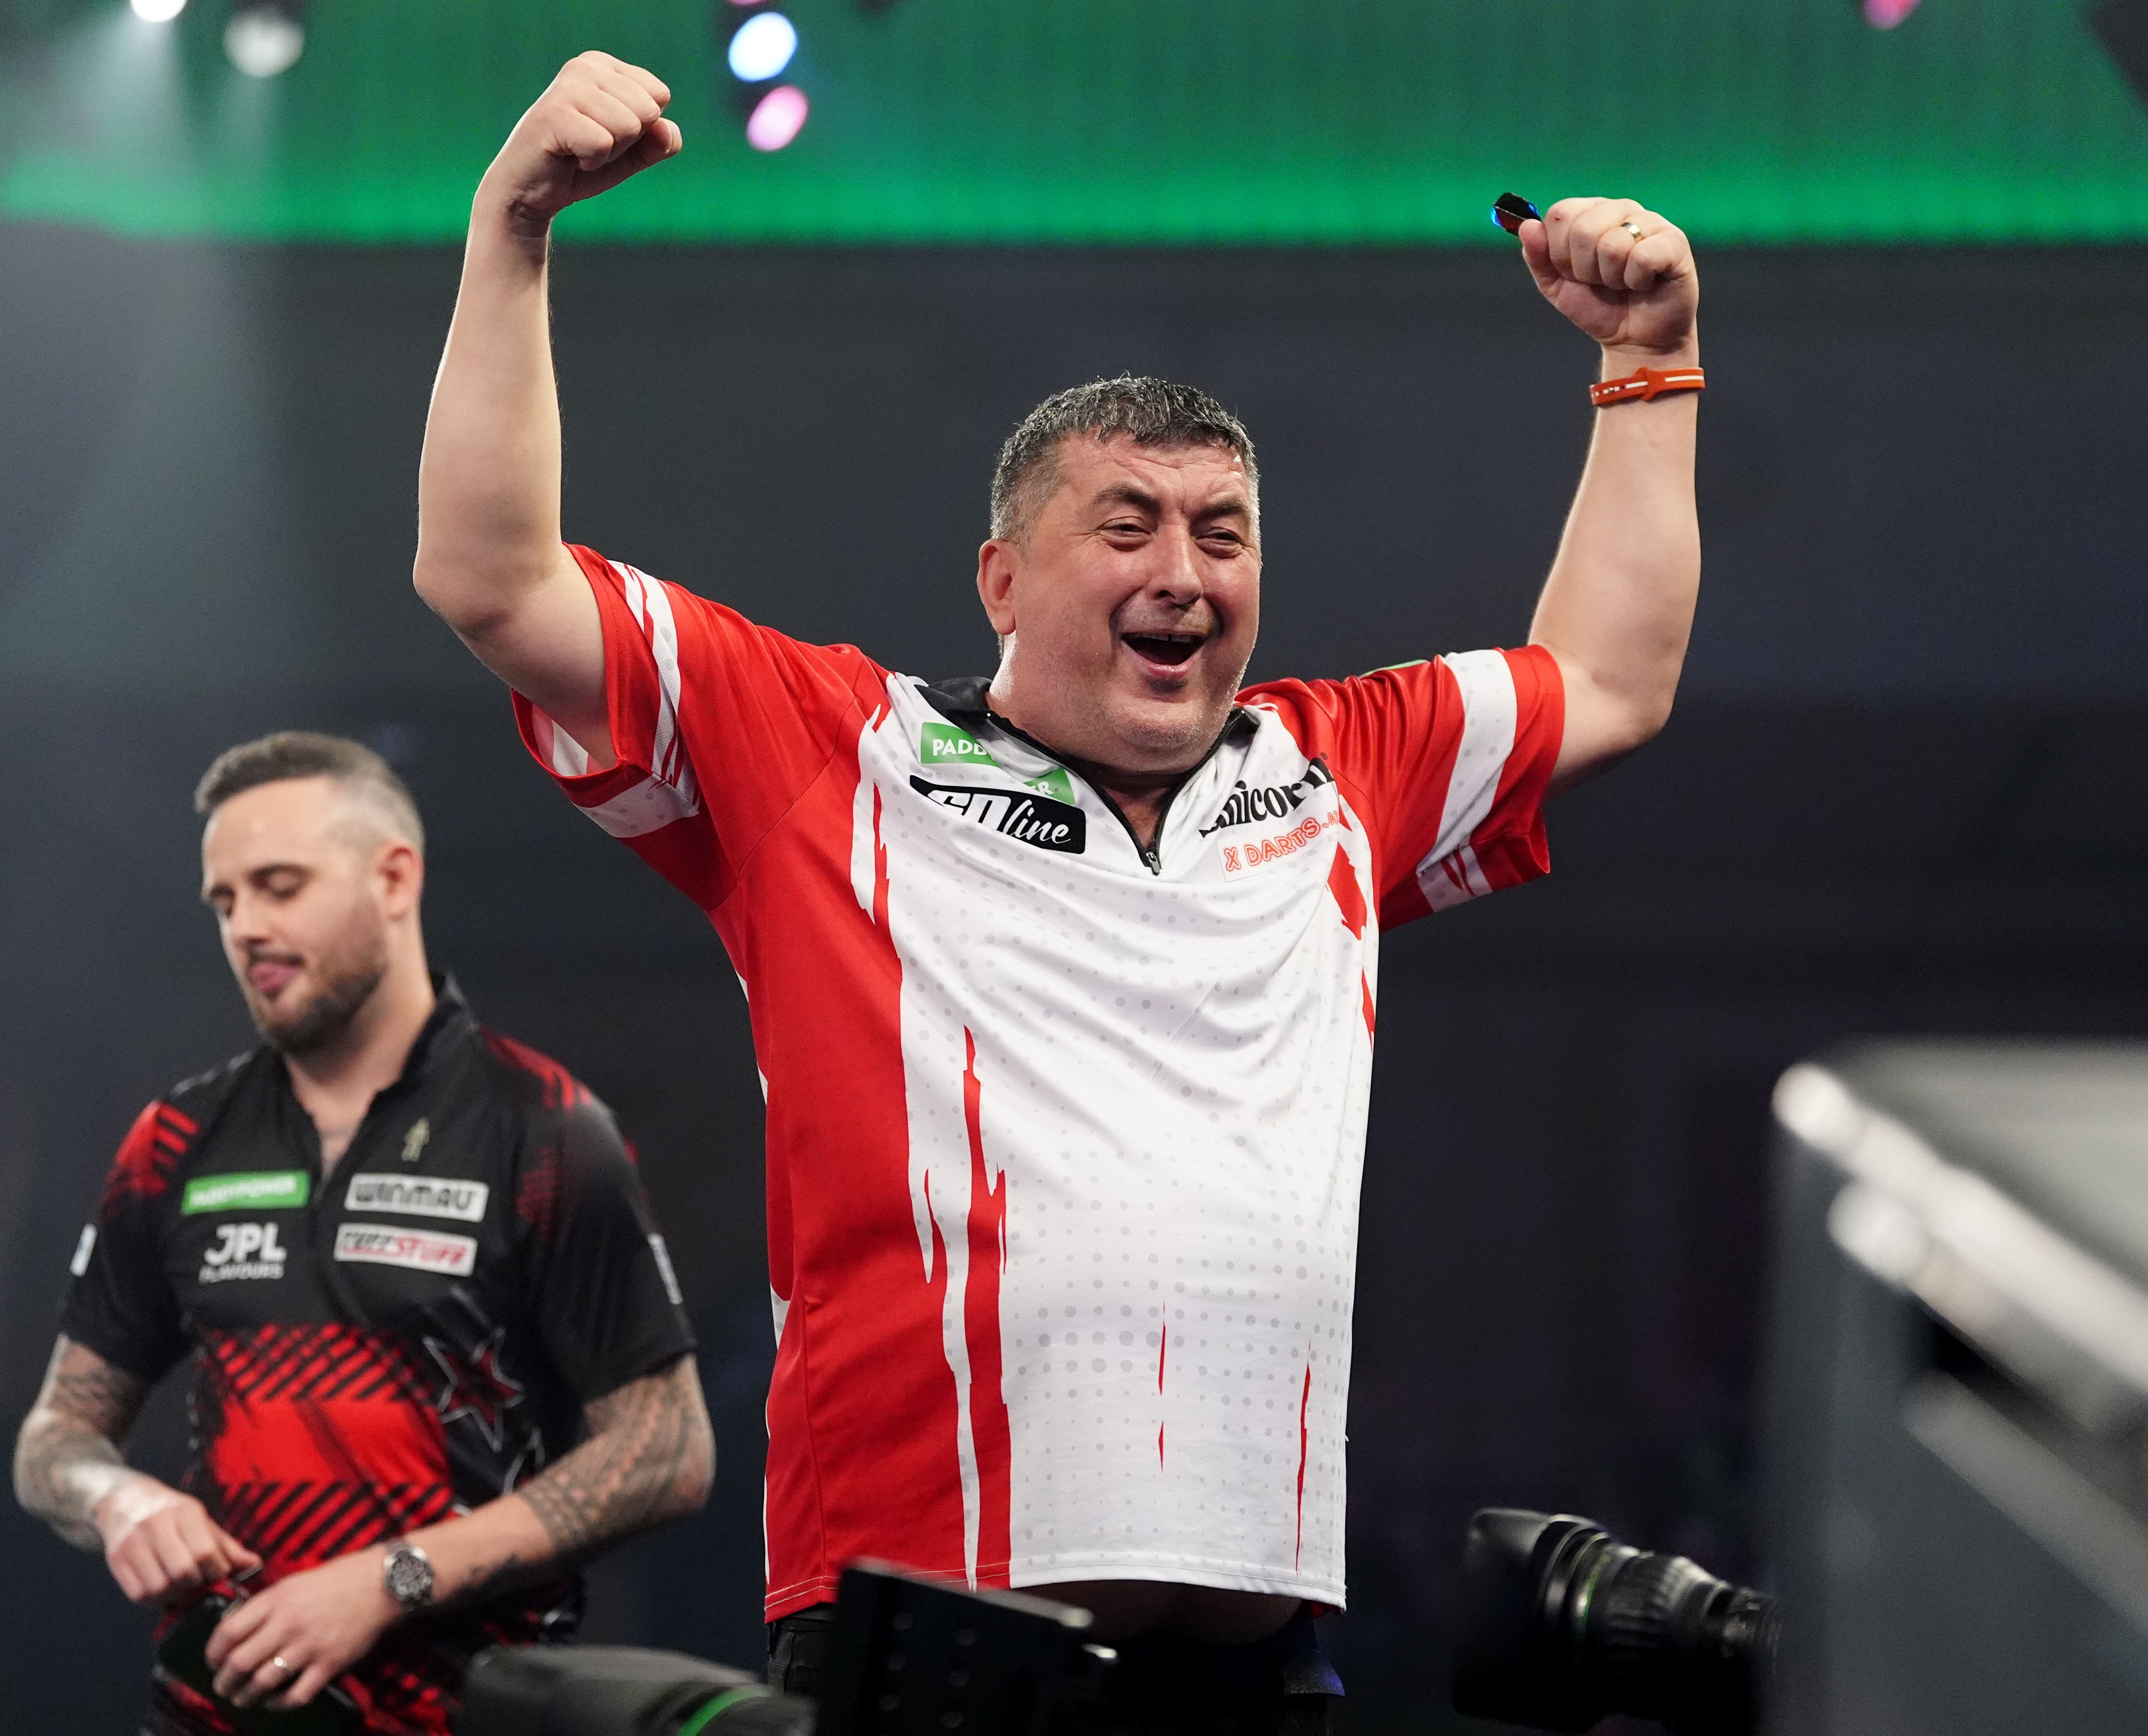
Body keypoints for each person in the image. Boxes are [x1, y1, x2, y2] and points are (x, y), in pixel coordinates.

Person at [412, 52, 1700, 1734]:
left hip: (1262, 1665)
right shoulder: (830, 752)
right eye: (1128, 524)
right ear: (1003, 581)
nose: (1182, 571)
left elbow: (1604, 679)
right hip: (941, 1655)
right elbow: (488, 577)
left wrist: (1647, 365)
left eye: (1223, 534)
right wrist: (509, 225)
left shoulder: (1337, 769)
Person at [13, 732, 712, 1735]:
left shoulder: (544, 1128)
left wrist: (393, 1578)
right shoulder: (175, 1139)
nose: (247, 926)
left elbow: (667, 1450)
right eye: (225, 900)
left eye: (281, 885)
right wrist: (116, 1499)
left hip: (465, 1714)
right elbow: (56, 1436)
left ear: (394, 878)